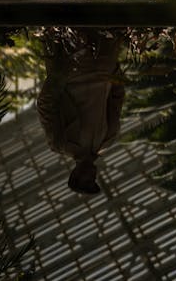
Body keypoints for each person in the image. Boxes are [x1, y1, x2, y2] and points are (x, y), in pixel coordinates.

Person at [36, 29, 125, 195]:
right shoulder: (108, 139)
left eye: (87, 180)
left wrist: (61, 74)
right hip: (104, 62)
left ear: (74, 174)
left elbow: (45, 105)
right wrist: (113, 69)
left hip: (73, 63)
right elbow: (116, 98)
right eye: (93, 180)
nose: (93, 176)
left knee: (74, 15)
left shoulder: (61, 142)